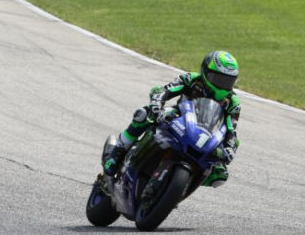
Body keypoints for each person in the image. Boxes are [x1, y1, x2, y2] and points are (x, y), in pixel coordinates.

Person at [101, 51, 241, 190]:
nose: (223, 85)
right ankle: (119, 150)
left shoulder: (232, 102)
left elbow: (231, 130)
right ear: (205, 72)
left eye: (228, 81)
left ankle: (181, 189)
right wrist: (156, 103)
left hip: (206, 134)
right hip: (178, 117)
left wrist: (230, 148)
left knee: (219, 173)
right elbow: (166, 90)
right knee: (144, 114)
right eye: (219, 79)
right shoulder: (191, 79)